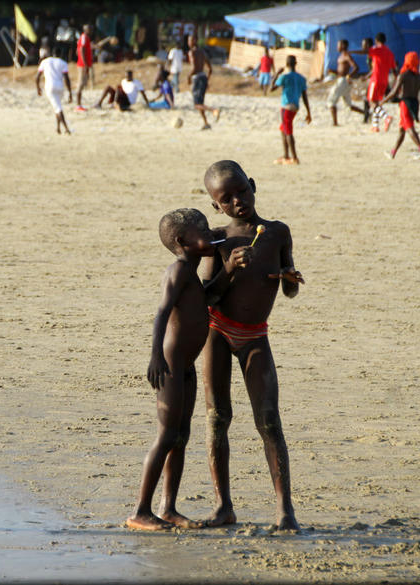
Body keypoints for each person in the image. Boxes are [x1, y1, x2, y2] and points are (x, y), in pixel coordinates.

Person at [197, 159, 304, 532]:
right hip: (218, 333)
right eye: (226, 199)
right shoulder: (218, 239)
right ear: (216, 206)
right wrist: (228, 269)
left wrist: (290, 279)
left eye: (241, 191)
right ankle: (223, 505)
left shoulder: (277, 233)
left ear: (253, 185)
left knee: (269, 420)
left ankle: (285, 511)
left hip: (256, 335)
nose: (238, 201)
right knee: (217, 418)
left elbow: (287, 288)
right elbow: (207, 297)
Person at [126, 208, 216, 531]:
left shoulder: (191, 272)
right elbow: (161, 313)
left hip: (186, 365)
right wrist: (154, 355)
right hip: (170, 365)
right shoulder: (177, 271)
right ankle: (140, 510)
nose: (209, 231)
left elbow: (208, 297)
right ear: (181, 241)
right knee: (166, 436)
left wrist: (228, 261)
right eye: (202, 229)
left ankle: (168, 508)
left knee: (181, 436)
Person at [382, 51, 420, 160]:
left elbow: (394, 92)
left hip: (405, 103)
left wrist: (383, 101)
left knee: (409, 128)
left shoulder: (403, 75)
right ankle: (393, 152)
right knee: (402, 129)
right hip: (414, 103)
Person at [352, 32, 397, 133]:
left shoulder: (377, 50)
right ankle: (375, 126)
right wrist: (396, 81)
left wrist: (351, 52)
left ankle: (386, 117)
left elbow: (365, 52)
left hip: (375, 80)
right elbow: (394, 69)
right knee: (376, 102)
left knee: (371, 102)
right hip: (384, 81)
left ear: (376, 41)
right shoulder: (390, 53)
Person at [270, 55, 311, 165]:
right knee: (283, 129)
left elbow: (271, 88)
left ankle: (294, 158)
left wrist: (277, 74)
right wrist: (308, 112)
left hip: (286, 107)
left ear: (287, 64)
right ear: (295, 63)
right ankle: (286, 156)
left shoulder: (284, 77)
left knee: (288, 131)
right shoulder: (301, 78)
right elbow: (304, 96)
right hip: (295, 107)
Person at [324, 39, 364, 126]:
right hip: (342, 80)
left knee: (331, 101)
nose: (337, 47)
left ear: (343, 46)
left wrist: (349, 76)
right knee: (348, 105)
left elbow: (356, 67)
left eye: (338, 45)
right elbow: (341, 71)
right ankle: (366, 113)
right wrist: (333, 71)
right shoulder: (341, 56)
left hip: (343, 81)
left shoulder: (346, 56)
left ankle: (335, 123)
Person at [36, 45, 73, 134]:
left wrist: (38, 88)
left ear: (52, 53)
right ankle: (58, 128)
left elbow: (37, 77)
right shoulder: (63, 63)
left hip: (49, 86)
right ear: (60, 54)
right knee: (57, 106)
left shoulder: (45, 62)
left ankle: (66, 128)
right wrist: (70, 92)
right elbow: (67, 78)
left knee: (57, 107)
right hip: (60, 87)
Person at [187, 35, 221, 129]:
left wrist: (188, 77)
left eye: (190, 40)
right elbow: (210, 69)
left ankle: (213, 110)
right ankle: (206, 123)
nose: (188, 42)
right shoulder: (202, 52)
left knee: (197, 105)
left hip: (197, 79)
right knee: (200, 103)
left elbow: (194, 68)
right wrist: (207, 80)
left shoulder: (192, 52)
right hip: (203, 77)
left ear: (194, 41)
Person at [74, 24, 93, 111]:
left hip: (84, 64)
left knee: (82, 83)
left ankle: (79, 103)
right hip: (83, 65)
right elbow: (81, 50)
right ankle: (78, 105)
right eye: (89, 29)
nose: (91, 30)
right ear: (86, 29)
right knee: (80, 84)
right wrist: (85, 64)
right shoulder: (84, 37)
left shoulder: (84, 38)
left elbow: (77, 51)